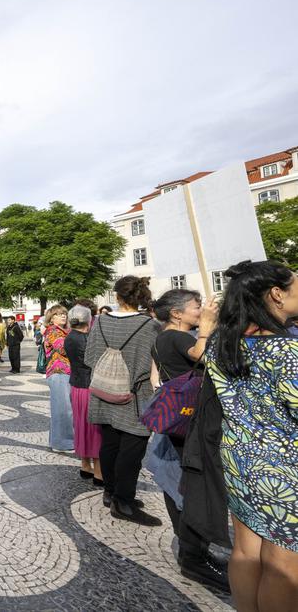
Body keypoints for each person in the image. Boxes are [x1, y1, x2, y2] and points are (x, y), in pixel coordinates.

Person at [205, 260, 298, 610]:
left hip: (239, 454)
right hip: (285, 466)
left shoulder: (221, 343)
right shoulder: (286, 351)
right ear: (276, 294)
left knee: (246, 549)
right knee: (284, 563)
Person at [148, 289, 228, 591]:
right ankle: (193, 555)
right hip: (191, 416)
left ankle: (193, 548)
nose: (201, 310)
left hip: (180, 416)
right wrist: (208, 326)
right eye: (196, 307)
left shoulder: (164, 337)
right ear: (176, 314)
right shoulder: (177, 337)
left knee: (186, 480)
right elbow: (201, 355)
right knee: (194, 482)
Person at [86, 276, 162, 526]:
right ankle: (124, 503)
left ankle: (111, 492)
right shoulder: (149, 325)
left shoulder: (101, 321)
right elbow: (154, 362)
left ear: (117, 297)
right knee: (132, 450)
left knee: (109, 445)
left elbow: (90, 357)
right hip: (135, 396)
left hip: (104, 392)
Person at [63, 305, 101, 483]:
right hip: (89, 388)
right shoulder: (86, 339)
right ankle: (99, 473)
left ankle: (85, 466)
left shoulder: (70, 336)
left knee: (81, 426)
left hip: (76, 387)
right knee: (94, 429)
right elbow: (93, 362)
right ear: (89, 320)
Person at [43, 305, 74, 453]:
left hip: (63, 372)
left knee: (62, 408)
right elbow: (62, 348)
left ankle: (58, 441)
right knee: (63, 410)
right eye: (59, 314)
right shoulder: (53, 331)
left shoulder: (64, 331)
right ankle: (63, 444)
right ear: (52, 317)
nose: (63, 316)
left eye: (65, 314)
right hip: (59, 372)